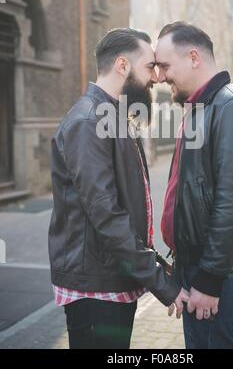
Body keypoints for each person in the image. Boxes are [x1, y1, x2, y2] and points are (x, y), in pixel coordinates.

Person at [48, 28, 188, 349]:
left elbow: (124, 207)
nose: (156, 77)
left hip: (112, 279)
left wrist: (154, 265)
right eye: (149, 66)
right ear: (123, 66)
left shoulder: (112, 115)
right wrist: (161, 285)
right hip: (97, 289)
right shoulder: (88, 123)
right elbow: (107, 216)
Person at [155, 21, 233, 349]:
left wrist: (209, 279)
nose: (160, 77)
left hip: (221, 273)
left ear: (194, 57)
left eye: (165, 66)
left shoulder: (232, 108)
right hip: (203, 266)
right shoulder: (201, 108)